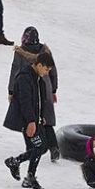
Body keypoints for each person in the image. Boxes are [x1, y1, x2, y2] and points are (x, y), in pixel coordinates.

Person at [3, 50, 55, 189]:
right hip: (26, 121)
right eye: (46, 68)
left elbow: (40, 100)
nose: (47, 72)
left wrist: (41, 116)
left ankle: (20, 167)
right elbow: (25, 101)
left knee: (38, 148)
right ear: (38, 65)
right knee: (40, 147)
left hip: (35, 120)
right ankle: (23, 170)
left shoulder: (38, 79)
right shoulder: (25, 77)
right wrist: (31, 121)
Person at [11, 27, 59, 161]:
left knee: (29, 115)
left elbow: (15, 70)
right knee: (46, 118)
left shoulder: (20, 51)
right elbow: (53, 71)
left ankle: (31, 147)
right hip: (46, 85)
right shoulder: (45, 50)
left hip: (29, 86)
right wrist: (53, 89)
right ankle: (54, 147)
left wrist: (11, 90)